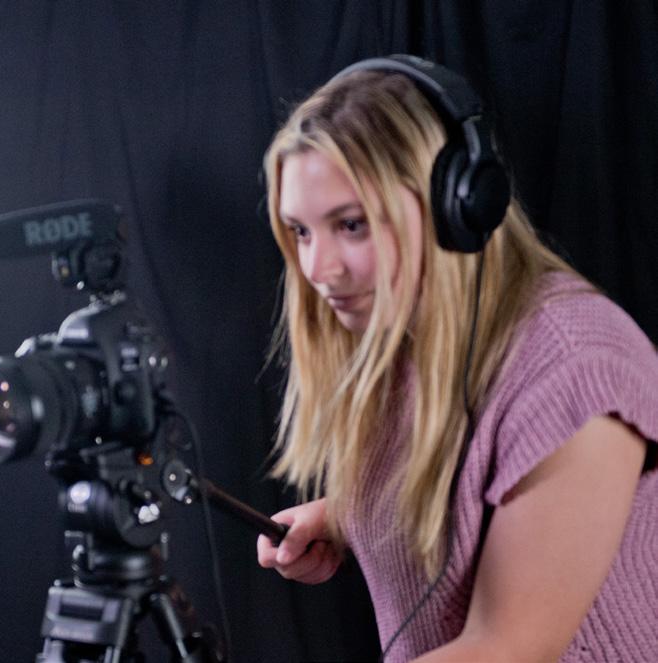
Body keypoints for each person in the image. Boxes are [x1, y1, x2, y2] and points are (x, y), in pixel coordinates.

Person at [256, 56, 658, 662]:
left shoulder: (579, 366)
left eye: (352, 224)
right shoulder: (398, 328)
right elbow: (477, 488)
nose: (318, 269)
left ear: (456, 206)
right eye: (302, 231)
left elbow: (507, 648)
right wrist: (345, 517)